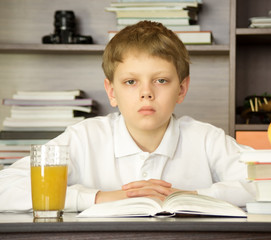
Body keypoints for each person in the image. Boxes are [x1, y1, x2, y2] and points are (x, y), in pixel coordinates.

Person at [0, 21, 255, 213]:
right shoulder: (84, 137)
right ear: (112, 91)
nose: (146, 93)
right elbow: (6, 187)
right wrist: (99, 197)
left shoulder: (206, 139)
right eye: (131, 81)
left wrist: (192, 196)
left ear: (182, 89)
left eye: (161, 80)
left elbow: (268, 185)